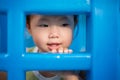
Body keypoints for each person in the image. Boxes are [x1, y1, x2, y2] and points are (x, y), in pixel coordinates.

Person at [26, 14, 81, 80]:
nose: (54, 34)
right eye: (44, 25)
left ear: (74, 26)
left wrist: (69, 76)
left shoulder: (80, 63)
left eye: (64, 24)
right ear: (29, 28)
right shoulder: (20, 56)